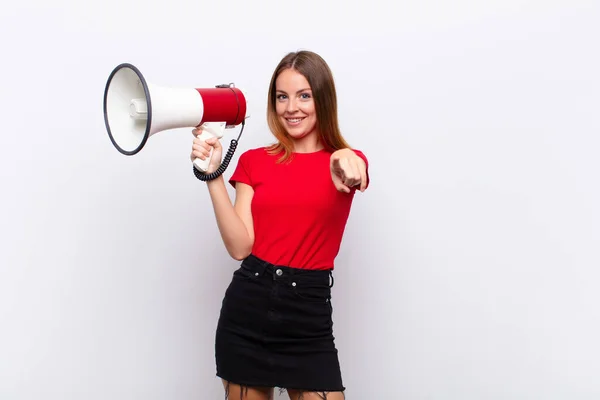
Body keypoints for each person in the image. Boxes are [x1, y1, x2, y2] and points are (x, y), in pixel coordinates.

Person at [190, 50, 369, 400]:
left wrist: (347, 161)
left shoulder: (344, 161)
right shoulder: (255, 162)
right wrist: (213, 174)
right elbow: (240, 247)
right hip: (249, 307)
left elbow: (353, 169)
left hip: (309, 314)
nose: (292, 108)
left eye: (304, 95)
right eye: (282, 97)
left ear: (323, 100)